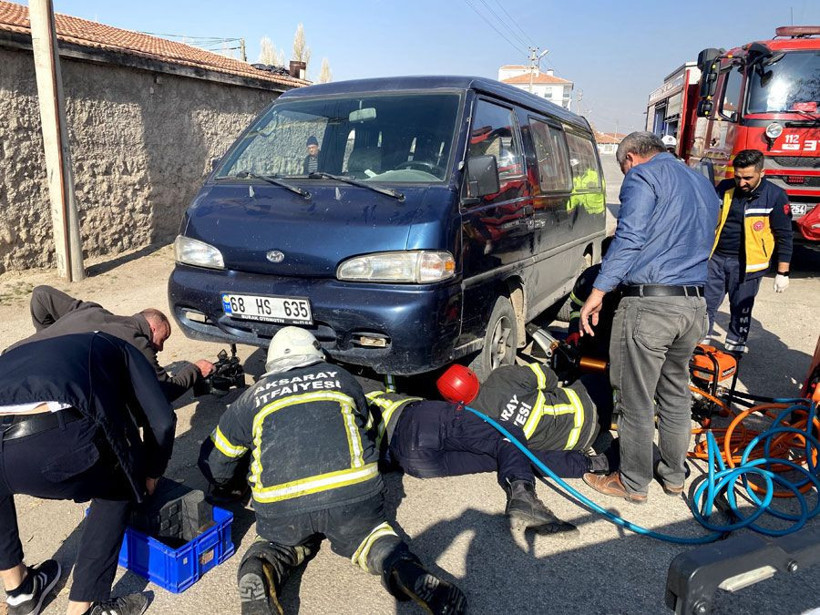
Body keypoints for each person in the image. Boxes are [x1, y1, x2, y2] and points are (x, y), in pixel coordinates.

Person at [199, 327, 465, 615]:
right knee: (372, 539)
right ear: (316, 353)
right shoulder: (341, 378)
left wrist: (228, 487)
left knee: (276, 545)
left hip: (284, 504)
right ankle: (403, 568)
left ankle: (260, 569)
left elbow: (218, 460)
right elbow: (364, 425)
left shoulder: (250, 398)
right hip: (352, 494)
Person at [579, 131, 718, 503]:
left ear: (631, 158)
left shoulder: (643, 175)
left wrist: (598, 292)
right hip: (693, 305)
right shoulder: (702, 183)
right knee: (675, 393)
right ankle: (674, 476)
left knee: (635, 399)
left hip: (650, 306)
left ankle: (632, 482)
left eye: (624, 170)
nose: (626, 177)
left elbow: (630, 237)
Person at [0, 332, 176, 615]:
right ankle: (85, 606)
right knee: (118, 484)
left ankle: (20, 591)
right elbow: (162, 420)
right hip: (43, 441)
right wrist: (152, 471)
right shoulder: (121, 348)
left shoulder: (39, 347)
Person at [367, 364, 609, 536]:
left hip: (410, 460)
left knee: (502, 455)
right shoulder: (502, 377)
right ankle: (523, 496)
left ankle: (584, 467)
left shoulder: (348, 420)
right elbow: (549, 376)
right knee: (508, 440)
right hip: (418, 417)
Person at [6, 285, 214, 402]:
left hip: (10, 356)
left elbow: (40, 295)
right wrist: (194, 370)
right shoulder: (137, 342)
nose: (160, 348)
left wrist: (48, 337)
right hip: (26, 387)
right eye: (162, 339)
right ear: (151, 329)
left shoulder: (91, 310)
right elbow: (163, 391)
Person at [705, 149, 793, 356]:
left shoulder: (775, 196)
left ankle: (733, 352)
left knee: (740, 310)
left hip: (748, 265)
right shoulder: (725, 188)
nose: (741, 182)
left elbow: (785, 235)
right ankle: (701, 347)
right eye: (737, 177)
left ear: (761, 173)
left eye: (747, 178)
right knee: (705, 304)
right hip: (716, 259)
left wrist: (783, 273)